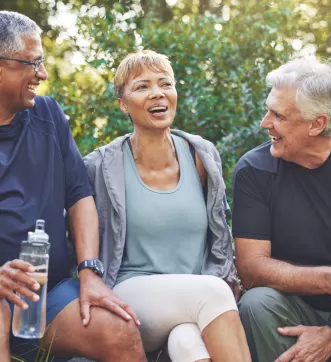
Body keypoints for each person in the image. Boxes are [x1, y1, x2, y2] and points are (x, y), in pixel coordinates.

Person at [84, 49, 252, 362]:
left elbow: (219, 231)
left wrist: (228, 274)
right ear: (123, 103)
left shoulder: (201, 156)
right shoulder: (100, 167)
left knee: (188, 343)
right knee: (213, 292)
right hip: (130, 295)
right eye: (142, 86)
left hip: (193, 300)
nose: (157, 93)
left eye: (165, 84)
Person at [0, 11, 146, 362]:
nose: (43, 74)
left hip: (47, 295)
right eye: (32, 64)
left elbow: (79, 196)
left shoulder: (48, 115)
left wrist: (89, 272)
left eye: (43, 63)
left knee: (119, 331)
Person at [232, 57, 331, 362]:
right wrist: (329, 278)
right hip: (292, 308)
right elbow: (250, 269)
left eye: (278, 115)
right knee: (256, 303)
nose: (265, 123)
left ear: (316, 124)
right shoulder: (254, 170)